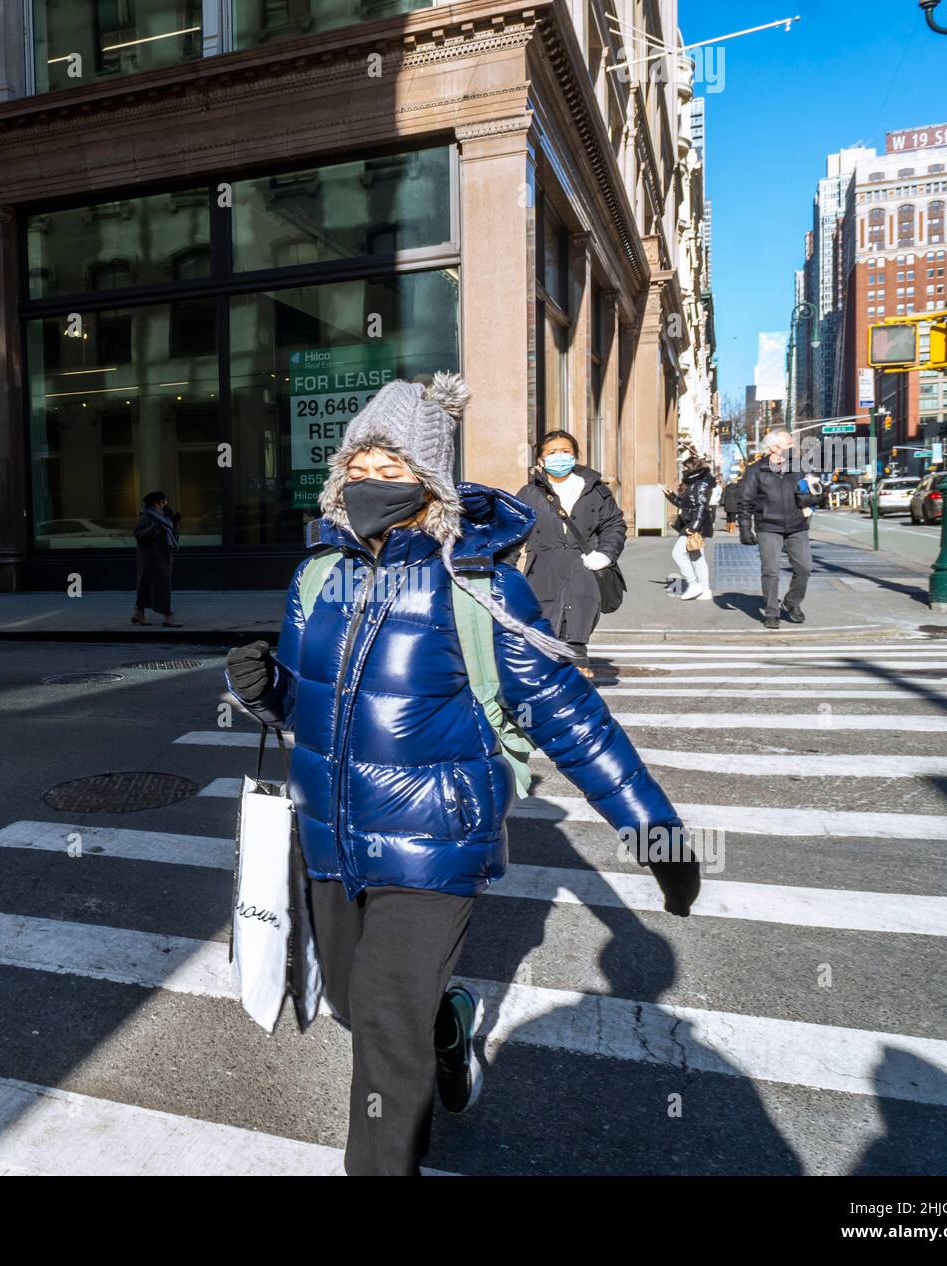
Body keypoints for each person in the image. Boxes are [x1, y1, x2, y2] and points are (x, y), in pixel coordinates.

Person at [224, 373, 699, 1177]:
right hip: (331, 838)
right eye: (359, 469)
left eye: (391, 468)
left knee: (382, 1019)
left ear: (430, 481)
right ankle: (449, 1029)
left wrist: (657, 835)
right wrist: (264, 690)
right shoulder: (315, 577)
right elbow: (311, 711)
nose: (371, 485)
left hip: (435, 841)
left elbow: (571, 718)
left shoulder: (477, 584)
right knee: (348, 1001)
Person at [513, 430, 626, 648]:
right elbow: (513, 531)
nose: (560, 456)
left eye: (566, 451)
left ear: (575, 456)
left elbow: (614, 524)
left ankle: (577, 673)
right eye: (552, 452)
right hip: (542, 576)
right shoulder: (529, 493)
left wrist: (605, 554)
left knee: (577, 638)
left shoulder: (595, 490)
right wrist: (504, 569)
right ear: (541, 460)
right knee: (542, 640)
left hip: (584, 576)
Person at [738, 430, 824, 630]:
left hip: (797, 526)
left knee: (804, 567)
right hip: (768, 526)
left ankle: (792, 602)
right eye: (788, 445)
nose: (793, 448)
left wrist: (812, 498)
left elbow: (819, 492)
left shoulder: (800, 467)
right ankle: (771, 612)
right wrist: (745, 528)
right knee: (771, 570)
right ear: (774, 447)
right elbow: (745, 501)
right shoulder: (755, 470)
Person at [664, 456, 717, 601]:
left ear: (693, 467)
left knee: (678, 553)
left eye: (685, 466)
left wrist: (693, 527)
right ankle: (705, 590)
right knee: (696, 556)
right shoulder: (694, 482)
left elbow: (701, 506)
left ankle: (693, 584)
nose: (682, 469)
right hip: (694, 522)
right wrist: (671, 496)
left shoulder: (701, 482)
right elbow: (685, 505)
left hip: (694, 523)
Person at [132, 490, 181, 627]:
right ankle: (167, 617)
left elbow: (171, 534)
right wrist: (153, 528)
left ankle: (139, 613)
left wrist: (174, 523)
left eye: (165, 501)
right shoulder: (146, 517)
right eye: (162, 501)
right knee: (151, 586)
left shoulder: (166, 516)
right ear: (155, 504)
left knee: (158, 586)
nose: (165, 503)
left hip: (163, 557)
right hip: (150, 558)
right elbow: (139, 535)